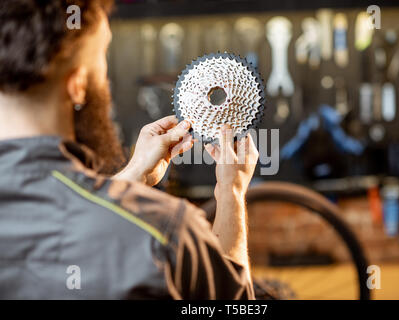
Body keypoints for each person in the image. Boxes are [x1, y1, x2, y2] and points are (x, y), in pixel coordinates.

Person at [0, 0, 258, 299]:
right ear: (77, 85)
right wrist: (231, 192)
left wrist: (133, 175)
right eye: (102, 59)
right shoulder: (166, 233)